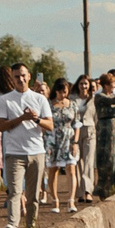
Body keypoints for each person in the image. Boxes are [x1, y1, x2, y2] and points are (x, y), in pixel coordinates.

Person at [0, 62, 52, 228]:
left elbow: (50, 125)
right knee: (15, 191)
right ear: (12, 79)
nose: (20, 79)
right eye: (16, 76)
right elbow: (2, 126)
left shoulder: (39, 99)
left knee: (34, 195)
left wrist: (36, 119)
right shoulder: (4, 100)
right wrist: (22, 117)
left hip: (36, 151)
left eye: (23, 75)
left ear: (29, 76)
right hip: (14, 153)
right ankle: (12, 226)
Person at [45, 76, 81, 214]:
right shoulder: (49, 104)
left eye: (65, 91)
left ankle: (71, 200)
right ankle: (55, 200)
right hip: (53, 140)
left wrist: (75, 142)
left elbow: (77, 124)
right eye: (60, 91)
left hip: (69, 139)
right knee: (53, 170)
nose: (62, 94)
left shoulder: (72, 105)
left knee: (71, 168)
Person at [92, 71, 115, 196]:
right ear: (106, 85)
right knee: (107, 158)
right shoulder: (99, 96)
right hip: (105, 130)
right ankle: (104, 189)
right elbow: (113, 100)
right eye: (113, 83)